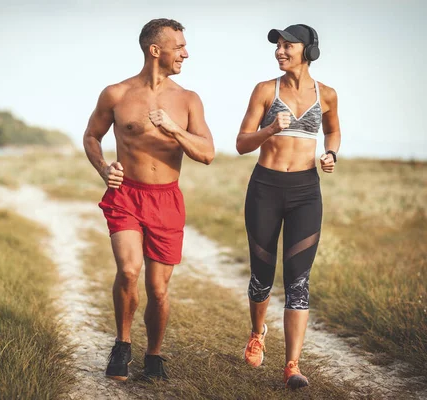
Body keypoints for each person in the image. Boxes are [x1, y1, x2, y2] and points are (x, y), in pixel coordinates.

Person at [83, 18, 215, 382]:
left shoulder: (188, 100)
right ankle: (122, 344)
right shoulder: (117, 94)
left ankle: (153, 353)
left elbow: (207, 152)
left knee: (158, 289)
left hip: (166, 199)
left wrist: (174, 129)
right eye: (179, 46)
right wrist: (102, 168)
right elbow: (91, 136)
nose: (185, 53)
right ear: (156, 50)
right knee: (128, 270)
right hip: (125, 195)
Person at [235, 24, 341, 389]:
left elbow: (333, 130)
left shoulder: (326, 94)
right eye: (277, 46)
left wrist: (330, 154)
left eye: (287, 45)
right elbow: (241, 143)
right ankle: (256, 332)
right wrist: (268, 130)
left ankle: (292, 365)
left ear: (308, 50)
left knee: (298, 280)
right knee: (262, 276)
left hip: (305, 192)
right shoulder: (266, 90)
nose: (279, 51)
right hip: (265, 188)